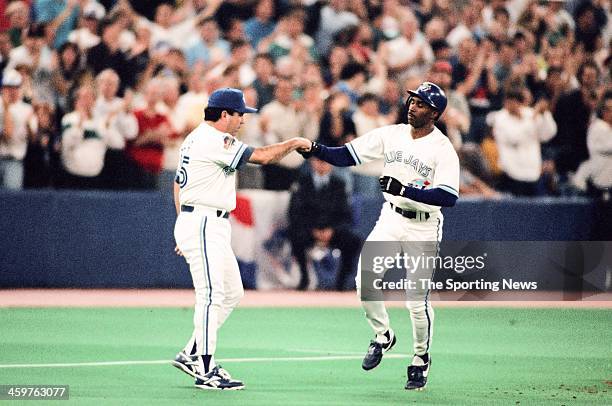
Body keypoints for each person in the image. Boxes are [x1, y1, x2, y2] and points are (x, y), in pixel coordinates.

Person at [299, 82, 459, 391]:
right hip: (391, 217)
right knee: (365, 281)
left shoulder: (442, 148)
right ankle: (384, 334)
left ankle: (420, 357)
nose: (413, 106)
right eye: (412, 100)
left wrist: (406, 190)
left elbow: (449, 196)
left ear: (435, 113)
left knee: (416, 301)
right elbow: (347, 155)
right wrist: (314, 148)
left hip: (423, 225)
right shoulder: (392, 134)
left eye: (422, 104)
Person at [171, 88, 311, 390]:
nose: (242, 121)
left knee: (232, 291)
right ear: (224, 115)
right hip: (204, 221)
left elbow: (177, 185)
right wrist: (295, 143)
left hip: (203, 220)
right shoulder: (214, 138)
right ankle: (205, 369)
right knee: (211, 295)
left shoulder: (195, 137)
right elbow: (261, 156)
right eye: (239, 115)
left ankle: (192, 352)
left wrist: (184, 221)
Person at [288, 157, 362, 290]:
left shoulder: (339, 184)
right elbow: (295, 212)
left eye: (325, 161)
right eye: (318, 160)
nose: (322, 164)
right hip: (309, 230)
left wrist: (332, 229)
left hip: (333, 230)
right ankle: (304, 278)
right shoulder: (302, 183)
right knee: (295, 236)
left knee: (353, 241)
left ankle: (341, 282)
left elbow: (345, 214)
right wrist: (313, 229)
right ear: (311, 162)